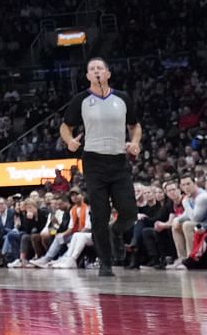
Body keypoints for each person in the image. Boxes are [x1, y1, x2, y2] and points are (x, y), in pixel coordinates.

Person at [59, 58, 141, 278]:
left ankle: (116, 231)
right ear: (87, 76)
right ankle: (105, 262)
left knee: (129, 212)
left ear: (108, 73)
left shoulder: (122, 98)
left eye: (100, 68)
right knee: (100, 214)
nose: (96, 72)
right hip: (94, 161)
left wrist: (135, 142)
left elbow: (135, 125)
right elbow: (66, 126)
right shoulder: (81, 100)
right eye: (92, 69)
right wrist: (70, 141)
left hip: (118, 159)